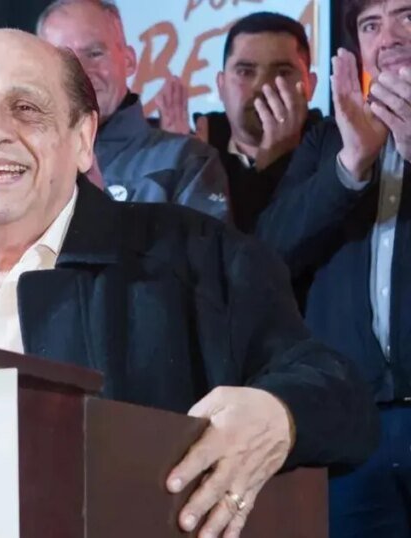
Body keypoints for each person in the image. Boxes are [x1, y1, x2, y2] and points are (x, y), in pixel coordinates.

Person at [0, 28, 377, 537]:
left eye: (25, 108)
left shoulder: (194, 255)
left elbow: (339, 394)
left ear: (83, 140)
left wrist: (278, 415)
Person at [255, 1, 411, 535]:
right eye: (371, 25)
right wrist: (351, 164)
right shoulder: (327, 140)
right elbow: (269, 254)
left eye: (406, 16)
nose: (388, 37)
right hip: (354, 424)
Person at [36, 0, 231, 221]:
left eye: (94, 54)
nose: (81, 72)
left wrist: (100, 212)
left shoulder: (186, 161)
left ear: (129, 61)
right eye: (65, 61)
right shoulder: (26, 161)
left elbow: (205, 243)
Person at [156, 12, 323, 233]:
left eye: (282, 72)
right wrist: (177, 172)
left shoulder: (334, 154)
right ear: (221, 85)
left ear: (310, 85)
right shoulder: (194, 151)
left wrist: (278, 164)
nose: (262, 86)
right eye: (245, 72)